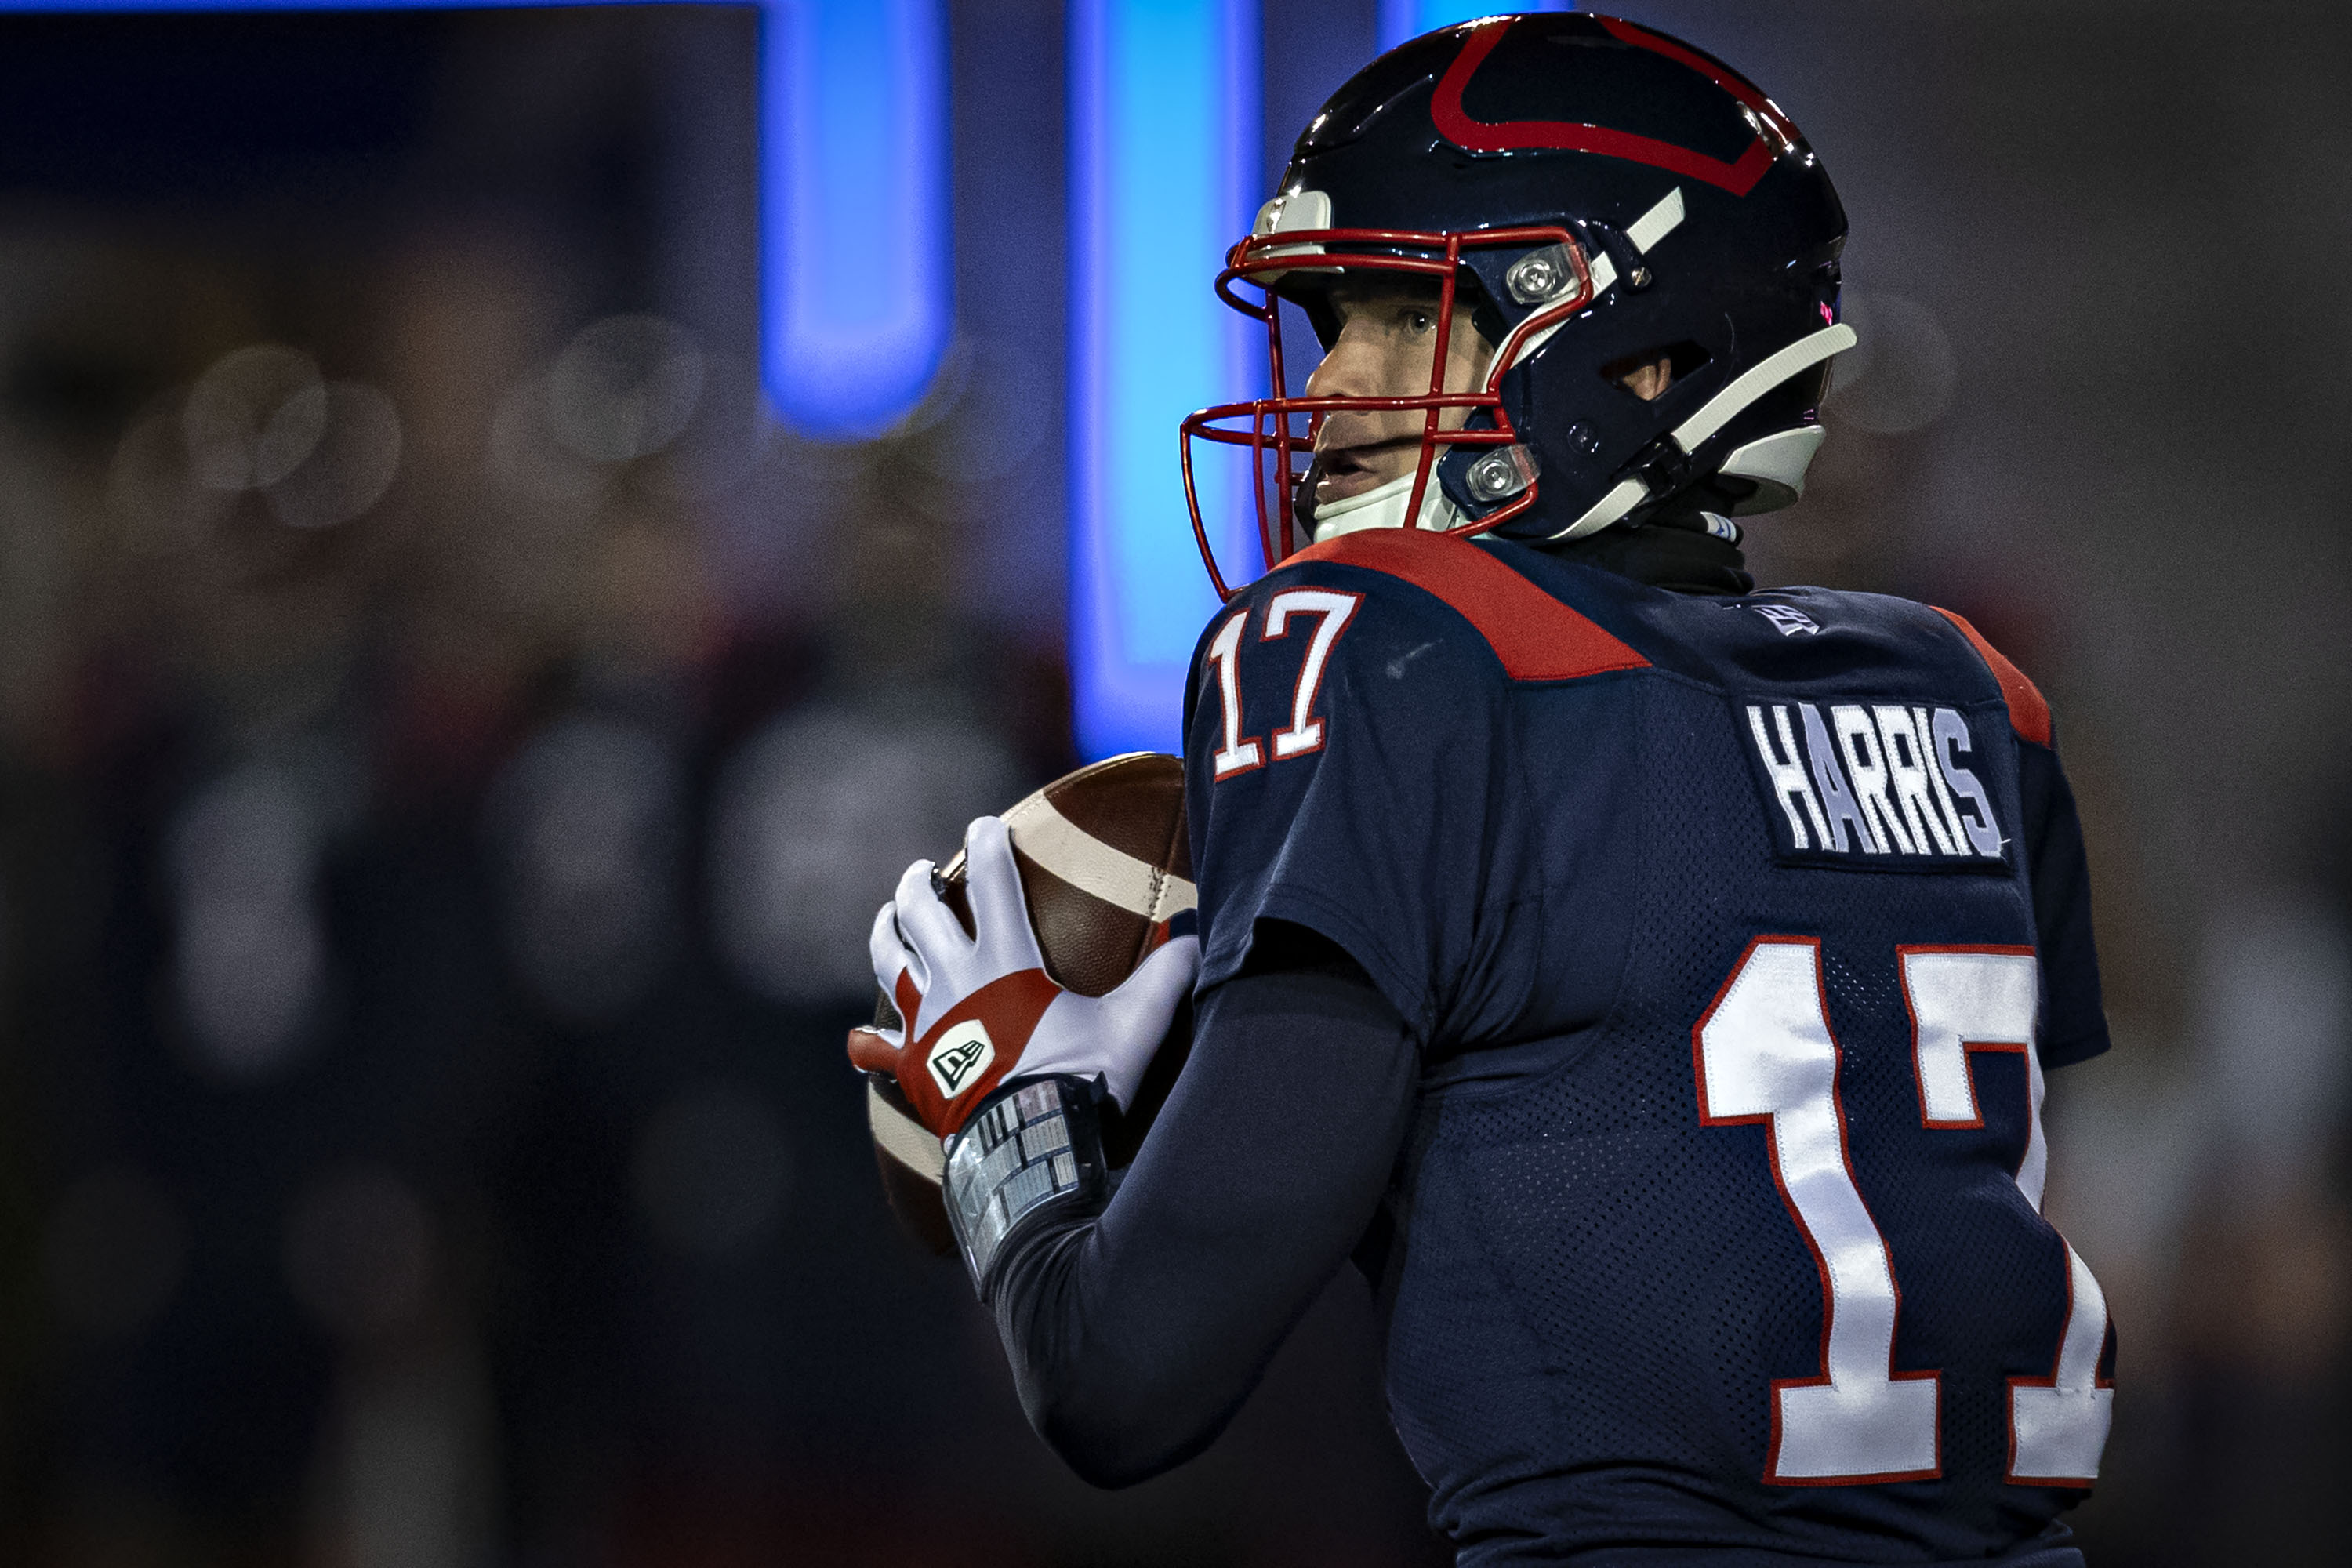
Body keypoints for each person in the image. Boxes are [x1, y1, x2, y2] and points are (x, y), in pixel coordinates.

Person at [848, 13, 2114, 1563]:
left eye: (1409, 316)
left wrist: (1016, 1114)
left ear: (1642, 359)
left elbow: (1121, 1378)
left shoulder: (1398, 649)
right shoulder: (1972, 691)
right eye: (1334, 325)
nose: (1339, 384)